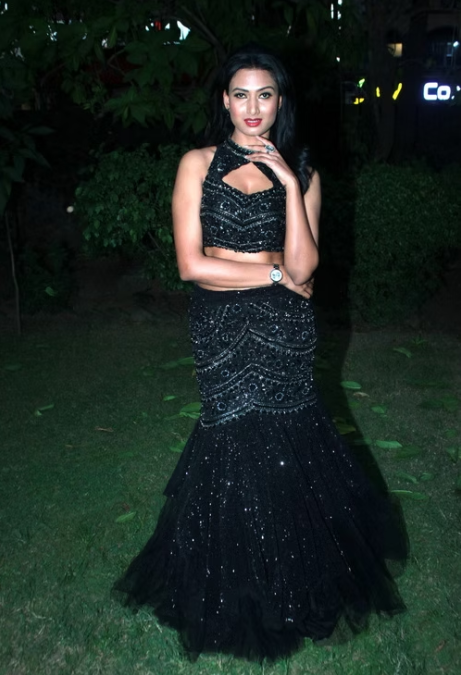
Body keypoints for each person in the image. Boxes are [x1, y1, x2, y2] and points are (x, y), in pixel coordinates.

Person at [113, 44, 408, 662]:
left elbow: (306, 267)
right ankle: (234, 583)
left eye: (265, 94)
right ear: (224, 101)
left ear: (279, 102)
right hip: (221, 326)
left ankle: (297, 579)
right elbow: (192, 265)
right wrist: (271, 274)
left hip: (285, 330)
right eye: (241, 94)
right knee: (233, 434)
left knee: (289, 437)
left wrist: (289, 184)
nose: (253, 107)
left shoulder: (304, 171)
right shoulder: (197, 164)